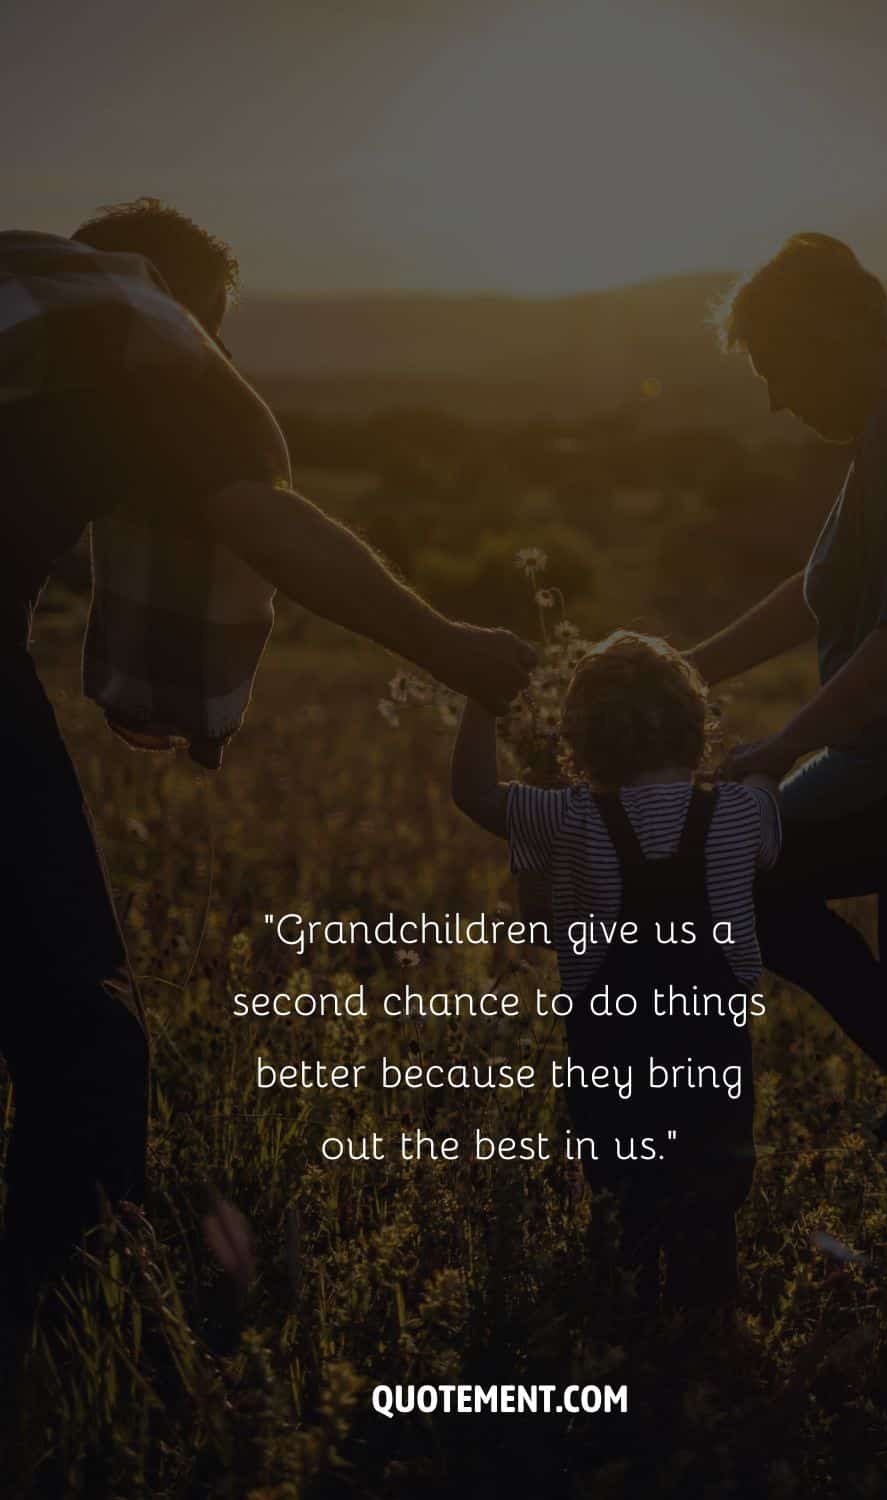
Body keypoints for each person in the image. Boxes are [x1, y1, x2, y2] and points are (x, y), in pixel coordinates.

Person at [0, 199, 535, 1312]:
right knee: (73, 1011)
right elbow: (262, 514)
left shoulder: (37, 310)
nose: (219, 353)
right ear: (185, 300)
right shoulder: (150, 335)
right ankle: (76, 1314)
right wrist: (447, 645)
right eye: (218, 328)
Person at [688, 232, 887, 1159]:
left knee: (726, 874)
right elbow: (819, 589)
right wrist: (693, 667)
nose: (779, 399)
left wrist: (780, 750)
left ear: (831, 337)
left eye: (780, 367)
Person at [451, 630, 781, 1311]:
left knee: (622, 1199)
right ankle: (709, 1343)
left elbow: (474, 793)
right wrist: (765, 761)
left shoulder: (569, 816)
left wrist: (480, 698)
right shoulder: (741, 813)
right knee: (712, 1202)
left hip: (612, 1051)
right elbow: (768, 815)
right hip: (712, 1050)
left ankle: (627, 1328)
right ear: (697, 728)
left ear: (581, 738)